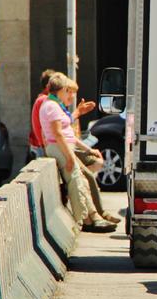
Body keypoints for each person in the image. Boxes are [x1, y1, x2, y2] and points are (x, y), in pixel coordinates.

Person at [29, 69, 120, 224]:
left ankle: (95, 216)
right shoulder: (50, 105)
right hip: (60, 148)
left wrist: (78, 113)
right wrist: (69, 157)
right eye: (68, 91)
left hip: (64, 146)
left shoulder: (53, 105)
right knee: (78, 181)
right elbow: (57, 134)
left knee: (83, 179)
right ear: (62, 90)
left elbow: (64, 130)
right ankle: (88, 218)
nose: (70, 95)